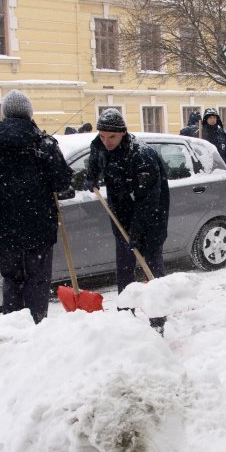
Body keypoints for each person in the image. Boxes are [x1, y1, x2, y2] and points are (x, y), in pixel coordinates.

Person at [0, 90, 74, 324]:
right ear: (29, 114)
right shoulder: (43, 144)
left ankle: (15, 329)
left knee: (11, 280)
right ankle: (37, 326)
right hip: (39, 228)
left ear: (5, 114)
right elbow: (62, 182)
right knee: (37, 281)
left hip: (6, 229)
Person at [83, 108, 170, 334]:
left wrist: (137, 232)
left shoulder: (141, 157)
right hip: (120, 218)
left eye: (111, 137)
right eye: (102, 136)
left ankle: (158, 321)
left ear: (123, 133)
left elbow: (148, 202)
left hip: (150, 221)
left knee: (152, 270)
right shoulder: (101, 144)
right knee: (124, 270)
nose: (106, 141)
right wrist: (91, 176)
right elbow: (95, 154)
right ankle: (125, 320)